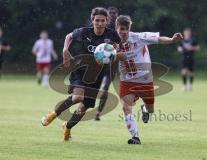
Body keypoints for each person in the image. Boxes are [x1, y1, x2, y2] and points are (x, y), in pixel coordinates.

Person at [41, 7, 125, 141]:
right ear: (92, 20)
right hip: (80, 70)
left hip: (97, 75)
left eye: (103, 21)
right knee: (77, 97)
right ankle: (53, 114)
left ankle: (67, 128)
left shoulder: (112, 34)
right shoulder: (84, 32)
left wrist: (114, 51)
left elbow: (120, 47)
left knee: (83, 108)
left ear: (107, 21)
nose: (100, 23)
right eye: (97, 20)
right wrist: (64, 50)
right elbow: (69, 36)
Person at [115, 15, 183, 144]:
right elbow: (106, 56)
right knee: (126, 107)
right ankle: (135, 137)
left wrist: (172, 40)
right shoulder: (112, 42)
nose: (123, 32)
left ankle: (145, 110)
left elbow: (159, 39)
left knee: (151, 109)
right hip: (127, 80)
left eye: (126, 29)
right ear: (116, 28)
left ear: (129, 28)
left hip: (145, 80)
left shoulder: (139, 37)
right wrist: (110, 55)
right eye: (120, 29)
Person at [95, 6, 119, 121]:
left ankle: (98, 112)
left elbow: (122, 48)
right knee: (93, 89)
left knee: (104, 88)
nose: (113, 16)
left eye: (115, 14)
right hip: (96, 65)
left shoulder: (119, 31)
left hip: (110, 66)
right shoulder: (98, 28)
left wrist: (117, 48)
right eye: (111, 14)